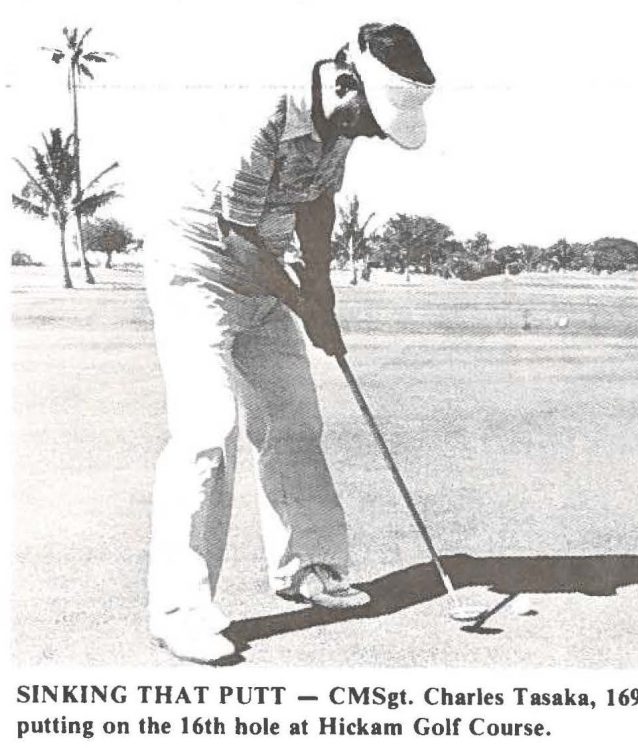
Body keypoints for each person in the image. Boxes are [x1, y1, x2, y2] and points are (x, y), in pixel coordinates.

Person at [144, 23, 435, 663]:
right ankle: (180, 610)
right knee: (207, 432)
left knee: (295, 421)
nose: (375, 133)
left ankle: (309, 567)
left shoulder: (340, 124)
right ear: (345, 82)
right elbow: (235, 235)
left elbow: (317, 206)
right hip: (199, 273)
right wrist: (302, 305)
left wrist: (322, 292)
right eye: (373, 119)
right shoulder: (265, 111)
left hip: (263, 273)